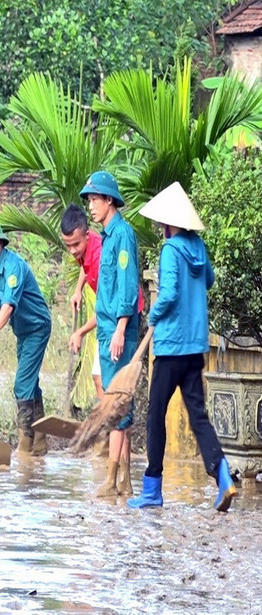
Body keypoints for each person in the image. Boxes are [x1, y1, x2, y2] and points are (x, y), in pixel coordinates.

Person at [128, 182, 236, 511]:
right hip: (195, 348)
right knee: (198, 415)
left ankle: (152, 488)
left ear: (168, 222)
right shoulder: (198, 247)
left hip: (172, 347)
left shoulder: (171, 250)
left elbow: (170, 293)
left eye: (161, 223)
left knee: (154, 414)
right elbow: (210, 281)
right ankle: (223, 476)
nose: (160, 229)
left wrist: (153, 315)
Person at [80, 171, 140, 497]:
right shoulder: (107, 236)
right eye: (89, 200)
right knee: (119, 405)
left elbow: (128, 285)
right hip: (106, 331)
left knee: (117, 406)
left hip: (118, 332)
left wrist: (119, 329)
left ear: (109, 200)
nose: (91, 205)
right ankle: (124, 482)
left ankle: (113, 478)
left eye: (94, 199)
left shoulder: (123, 236)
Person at [0, 220, 51, 456]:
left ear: (1, 243)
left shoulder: (13, 267)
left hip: (37, 327)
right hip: (23, 331)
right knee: (30, 383)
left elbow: (9, 305)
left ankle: (25, 444)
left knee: (21, 384)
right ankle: (40, 441)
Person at [61, 204, 146, 403]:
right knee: (100, 378)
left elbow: (108, 306)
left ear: (87, 235)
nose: (73, 251)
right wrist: (78, 290)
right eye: (68, 245)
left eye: (76, 245)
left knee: (113, 387)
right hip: (110, 316)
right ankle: (107, 427)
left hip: (120, 317)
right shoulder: (88, 248)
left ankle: (109, 426)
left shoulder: (102, 253)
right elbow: (84, 264)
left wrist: (80, 332)